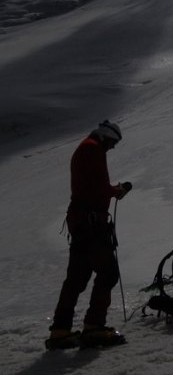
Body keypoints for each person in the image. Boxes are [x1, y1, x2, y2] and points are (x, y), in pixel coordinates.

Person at [46, 120, 132, 350]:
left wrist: (112, 191)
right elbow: (100, 187)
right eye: (112, 142)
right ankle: (93, 327)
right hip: (91, 223)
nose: (112, 147)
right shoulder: (93, 149)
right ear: (105, 137)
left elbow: (93, 185)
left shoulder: (86, 147)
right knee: (108, 272)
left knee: (76, 278)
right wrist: (116, 191)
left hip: (81, 222)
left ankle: (60, 330)